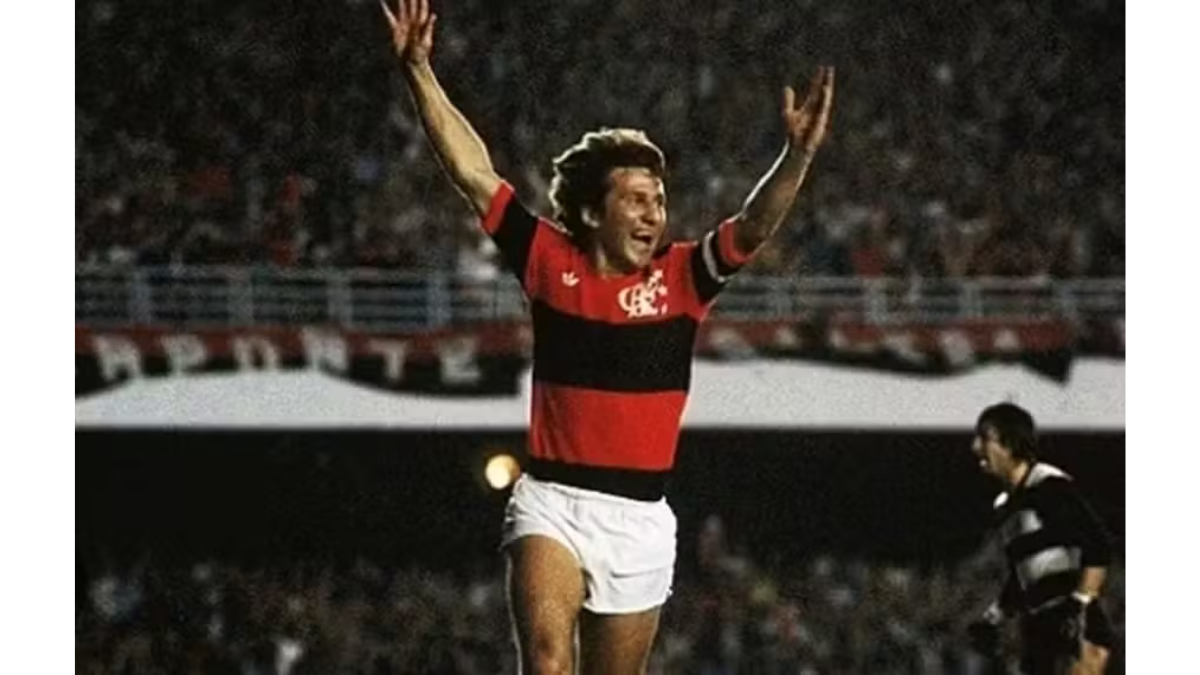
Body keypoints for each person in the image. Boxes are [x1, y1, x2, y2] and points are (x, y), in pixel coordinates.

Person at [380, 1, 834, 672]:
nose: (654, 213)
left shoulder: (683, 277)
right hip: (552, 503)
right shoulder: (547, 260)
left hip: (638, 519)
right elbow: (476, 175)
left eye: (659, 200)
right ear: (594, 212)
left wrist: (796, 155)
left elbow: (754, 225)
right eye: (637, 199)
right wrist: (419, 71)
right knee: (547, 661)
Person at [966, 402, 1116, 675]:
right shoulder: (1005, 505)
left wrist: (1079, 606)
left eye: (984, 438)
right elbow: (1024, 573)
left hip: (1072, 629)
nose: (975, 446)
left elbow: (1098, 545)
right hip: (1040, 627)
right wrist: (994, 616)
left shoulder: (1048, 486)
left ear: (1010, 444)